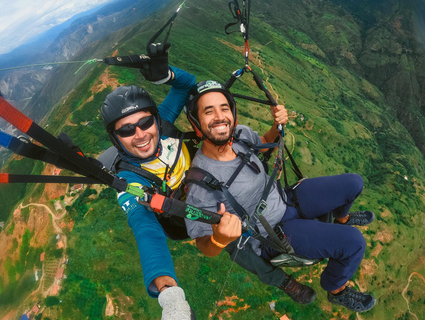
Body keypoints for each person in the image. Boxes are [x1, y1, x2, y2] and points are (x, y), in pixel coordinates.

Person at [184, 80, 377, 312]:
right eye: (208, 111)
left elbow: (264, 145)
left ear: (232, 113)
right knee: (354, 243)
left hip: (286, 198)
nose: (219, 116)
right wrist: (219, 239)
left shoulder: (241, 135)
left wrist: (278, 125)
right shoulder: (200, 183)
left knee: (354, 183)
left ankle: (342, 218)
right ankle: (336, 289)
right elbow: (202, 244)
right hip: (272, 233)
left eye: (224, 108)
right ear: (196, 123)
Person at [99, 42, 198, 319]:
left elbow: (186, 84)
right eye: (127, 130)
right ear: (115, 138)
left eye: (144, 123)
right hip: (186, 218)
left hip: (205, 189)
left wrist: (165, 74)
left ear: (155, 119)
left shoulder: (164, 124)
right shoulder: (128, 176)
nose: (140, 134)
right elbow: (145, 228)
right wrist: (168, 292)